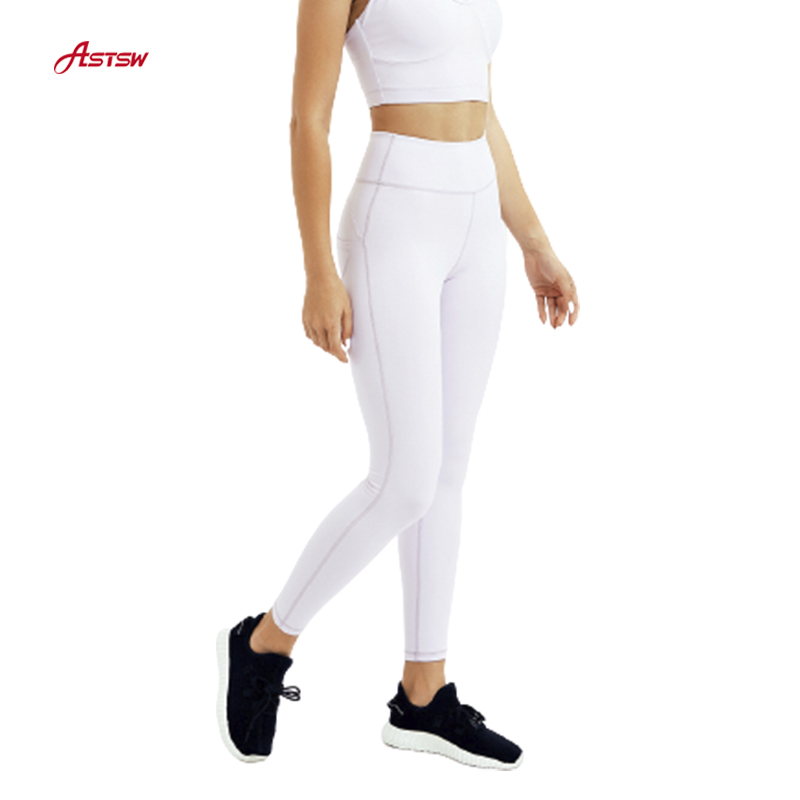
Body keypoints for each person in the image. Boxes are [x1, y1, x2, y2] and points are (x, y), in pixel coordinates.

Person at [217, 0, 579, 770]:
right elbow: (308, 123)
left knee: (446, 472)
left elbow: (483, 109)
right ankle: (263, 644)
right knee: (404, 479)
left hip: (477, 224)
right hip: (396, 223)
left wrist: (534, 241)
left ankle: (423, 695)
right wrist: (319, 271)